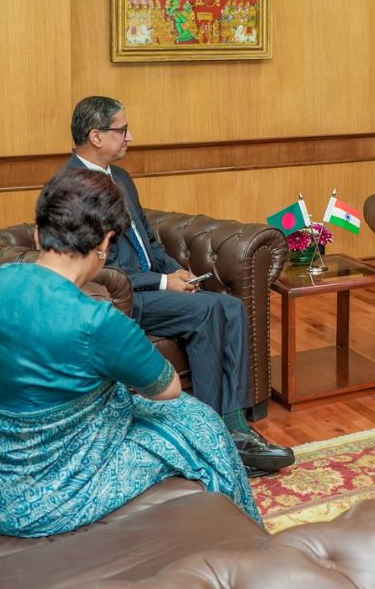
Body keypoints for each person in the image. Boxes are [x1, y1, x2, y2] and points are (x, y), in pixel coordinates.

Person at [0, 169, 260, 537]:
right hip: (49, 500)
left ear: (36, 234)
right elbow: (168, 389)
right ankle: (247, 547)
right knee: (202, 426)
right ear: (105, 244)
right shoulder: (99, 322)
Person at [63, 95, 293, 476]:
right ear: (96, 136)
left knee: (230, 306)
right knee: (207, 313)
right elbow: (98, 267)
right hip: (121, 297)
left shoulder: (120, 177)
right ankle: (219, 437)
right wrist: (161, 281)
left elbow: (148, 242)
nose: (130, 137)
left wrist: (178, 272)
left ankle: (233, 428)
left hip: (150, 286)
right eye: (122, 130)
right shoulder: (72, 189)